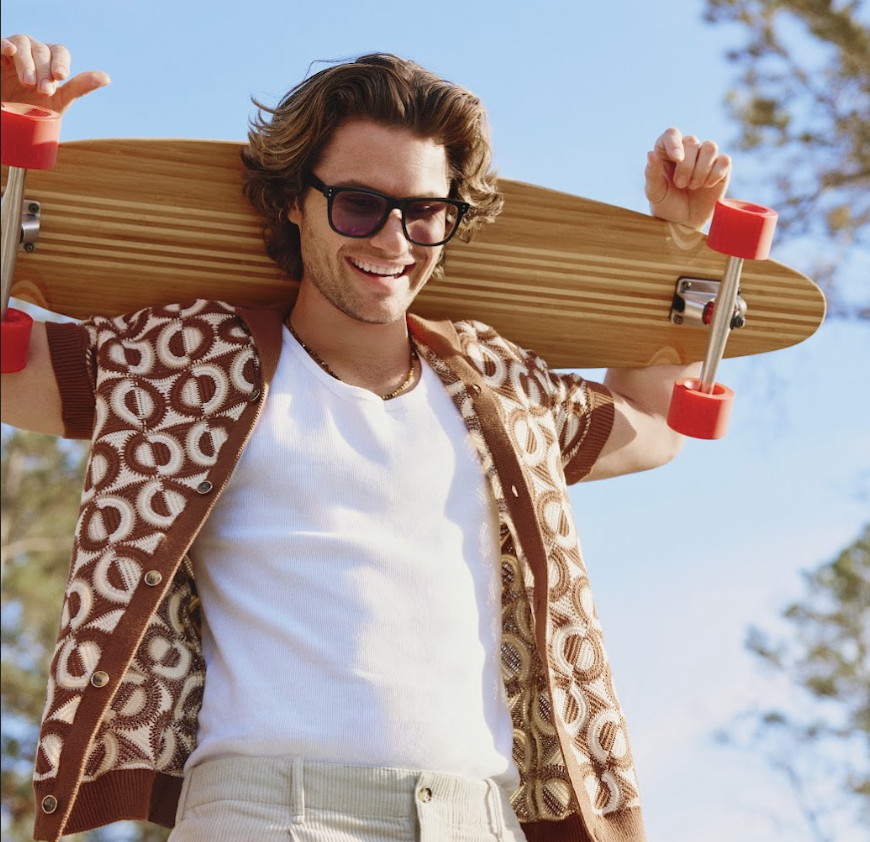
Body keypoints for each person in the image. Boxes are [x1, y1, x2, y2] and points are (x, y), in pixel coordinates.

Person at [1, 34, 731, 842]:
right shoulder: (191, 365)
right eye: (358, 205)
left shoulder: (501, 391)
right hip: (268, 813)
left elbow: (656, 422)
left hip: (477, 818)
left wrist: (678, 242)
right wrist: (9, 143)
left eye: (424, 214)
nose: (393, 241)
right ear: (294, 200)